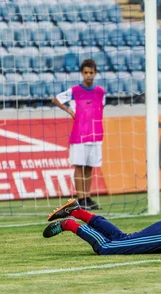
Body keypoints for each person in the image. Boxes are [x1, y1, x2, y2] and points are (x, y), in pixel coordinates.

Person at [52, 59, 105, 211]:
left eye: (91, 73)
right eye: (86, 73)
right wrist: (70, 111)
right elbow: (55, 99)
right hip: (79, 134)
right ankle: (80, 198)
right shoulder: (74, 91)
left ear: (95, 73)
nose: (88, 75)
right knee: (79, 166)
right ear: (82, 73)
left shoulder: (100, 92)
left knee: (89, 167)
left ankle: (87, 197)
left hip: (95, 134)